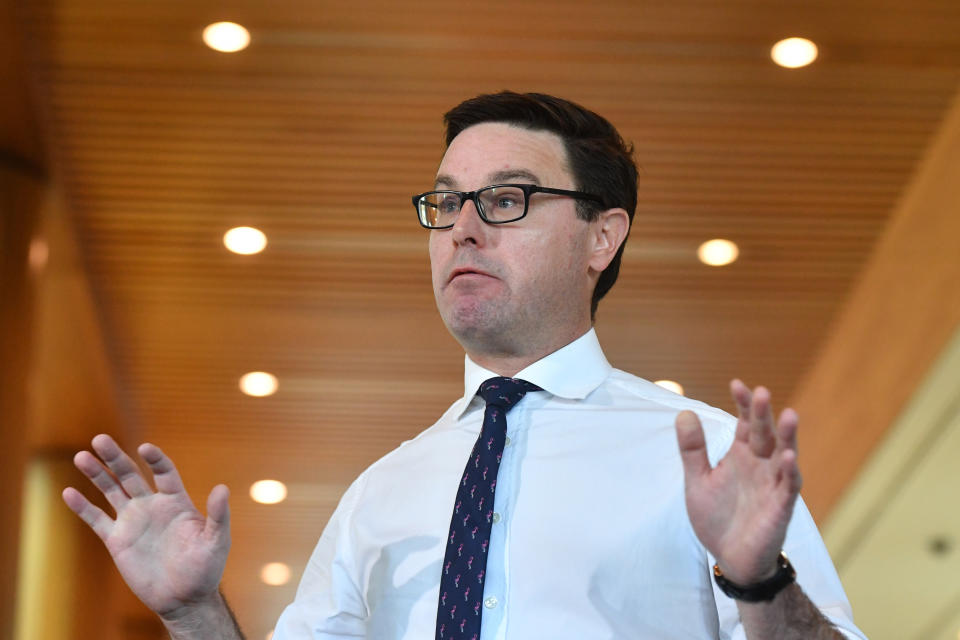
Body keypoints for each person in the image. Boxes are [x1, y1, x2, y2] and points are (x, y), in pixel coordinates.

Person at [64, 92, 866, 639]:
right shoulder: (380, 490)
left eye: (507, 199)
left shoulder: (710, 458)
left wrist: (761, 580)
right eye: (446, 203)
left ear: (602, 237)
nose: (463, 230)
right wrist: (195, 613)